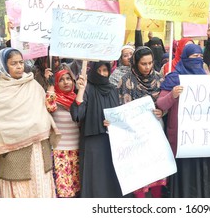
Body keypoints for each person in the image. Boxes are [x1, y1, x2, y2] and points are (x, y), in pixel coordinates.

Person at [0, 47, 61, 198]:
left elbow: (47, 109)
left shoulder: (32, 84)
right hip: (12, 152)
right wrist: (23, 129)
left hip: (38, 149)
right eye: (13, 63)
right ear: (4, 66)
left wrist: (50, 88)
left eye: (21, 62)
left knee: (40, 187)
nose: (19, 66)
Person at [156, 44, 210, 198]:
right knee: (185, 173)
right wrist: (173, 94)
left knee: (203, 170)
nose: (197, 60)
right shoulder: (174, 77)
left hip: (203, 136)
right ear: (185, 58)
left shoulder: (206, 78)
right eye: (194, 57)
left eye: (200, 57)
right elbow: (161, 104)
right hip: (182, 137)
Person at [117, 46, 165, 198]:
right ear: (135, 63)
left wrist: (163, 111)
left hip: (155, 130)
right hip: (134, 133)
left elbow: (165, 103)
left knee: (156, 168)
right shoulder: (125, 80)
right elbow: (119, 107)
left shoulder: (159, 79)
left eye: (150, 63)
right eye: (143, 63)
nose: (147, 67)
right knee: (139, 169)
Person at [70, 61, 122, 198]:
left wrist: (113, 122)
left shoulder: (113, 89)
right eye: (99, 70)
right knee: (94, 177)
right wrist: (80, 90)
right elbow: (77, 115)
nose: (102, 74)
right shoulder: (87, 88)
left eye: (105, 70)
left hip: (112, 141)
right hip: (93, 141)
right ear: (92, 71)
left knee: (111, 176)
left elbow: (120, 115)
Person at [46, 68, 80, 198]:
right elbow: (49, 106)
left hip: (78, 151)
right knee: (65, 193)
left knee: (78, 191)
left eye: (68, 79)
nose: (66, 82)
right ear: (56, 83)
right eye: (61, 80)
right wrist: (50, 85)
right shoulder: (54, 100)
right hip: (60, 153)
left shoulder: (78, 99)